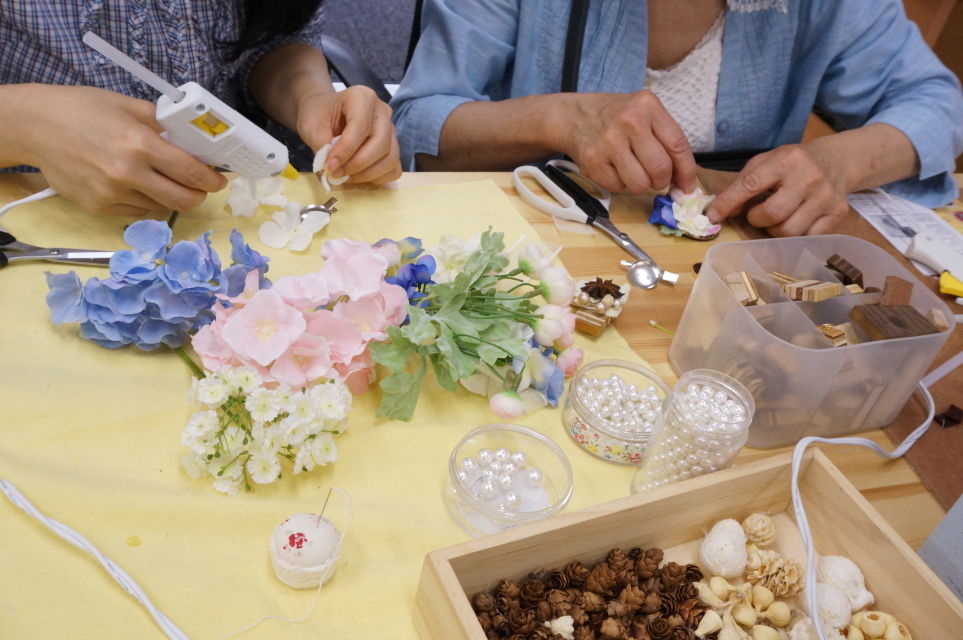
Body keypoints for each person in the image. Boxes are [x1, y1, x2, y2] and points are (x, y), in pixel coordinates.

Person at [392, 0, 963, 236]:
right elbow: (418, 121)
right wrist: (562, 118)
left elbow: (937, 103)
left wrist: (837, 161)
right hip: (525, 250)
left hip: (725, 278)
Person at [0, 1, 402, 216]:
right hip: (37, 212)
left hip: (218, 214)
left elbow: (274, 37)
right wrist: (27, 125)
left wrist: (310, 98)